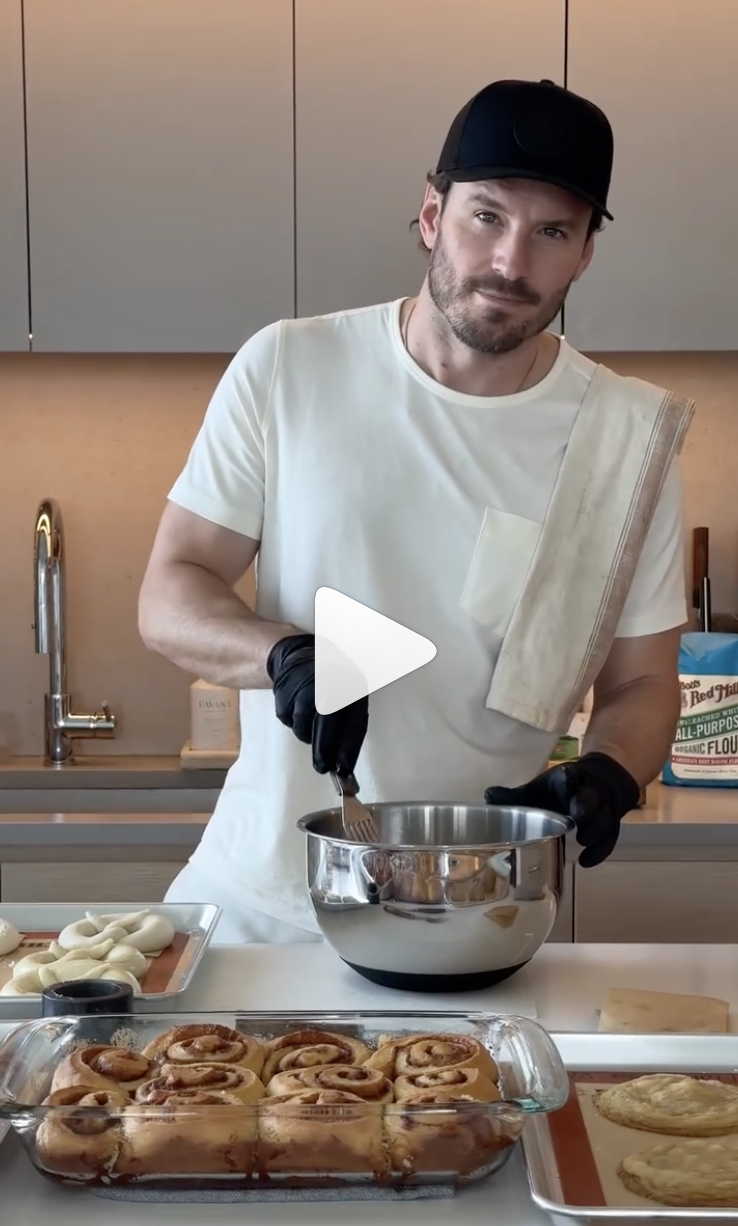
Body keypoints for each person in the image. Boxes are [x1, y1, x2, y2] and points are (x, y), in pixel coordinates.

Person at [138, 78, 694, 944]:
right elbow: (172, 591)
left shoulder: (629, 439)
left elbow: (643, 683)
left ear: (585, 254)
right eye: (487, 216)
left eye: (552, 232)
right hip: (256, 910)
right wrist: (281, 657)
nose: (511, 261)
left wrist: (610, 770)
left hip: (475, 918)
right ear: (432, 215)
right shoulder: (290, 368)